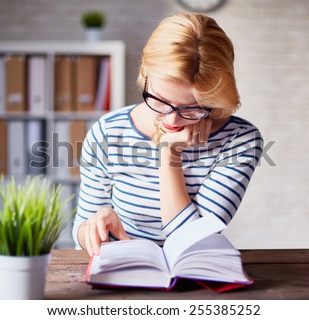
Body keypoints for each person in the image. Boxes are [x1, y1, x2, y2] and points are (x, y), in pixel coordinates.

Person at [72, 12, 263, 256]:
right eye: (160, 101)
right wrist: (94, 226)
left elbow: (192, 241)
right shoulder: (107, 131)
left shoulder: (241, 141)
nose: (172, 120)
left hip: (194, 274)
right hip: (125, 271)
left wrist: (169, 153)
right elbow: (79, 230)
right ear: (145, 75)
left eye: (192, 107)